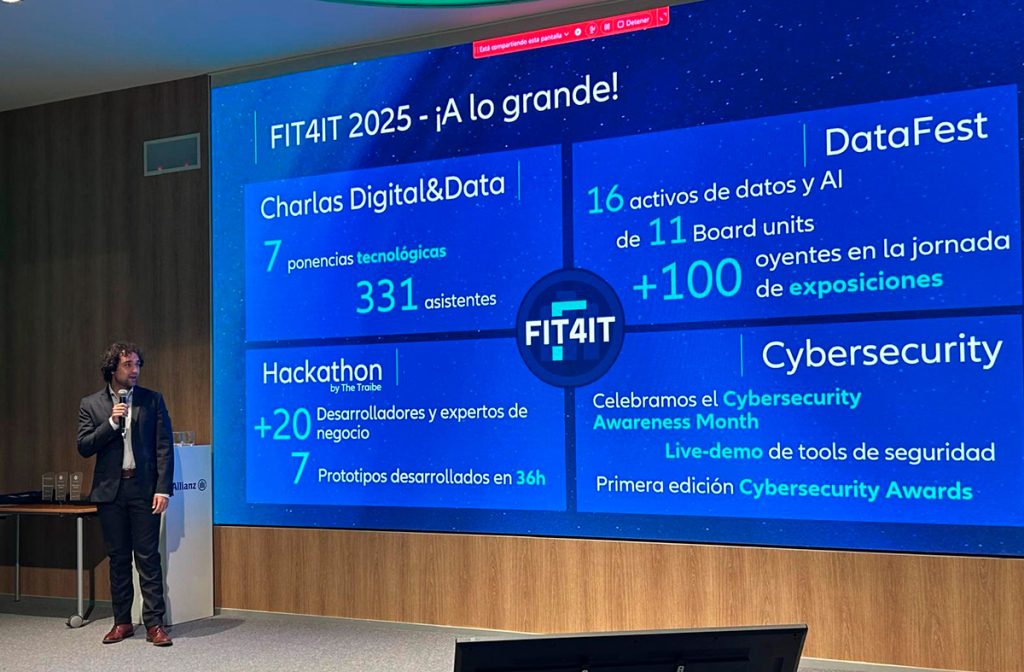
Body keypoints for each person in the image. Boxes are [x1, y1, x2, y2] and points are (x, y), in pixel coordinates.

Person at [77, 342, 174, 646]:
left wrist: (163, 489)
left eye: (137, 365)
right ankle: (122, 622)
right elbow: (84, 446)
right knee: (118, 559)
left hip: (143, 489)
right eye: (127, 365)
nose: (134, 371)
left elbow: (163, 447)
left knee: (148, 558)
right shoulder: (91, 404)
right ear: (112, 369)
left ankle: (154, 624)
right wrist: (111, 423)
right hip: (110, 491)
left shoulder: (152, 400)